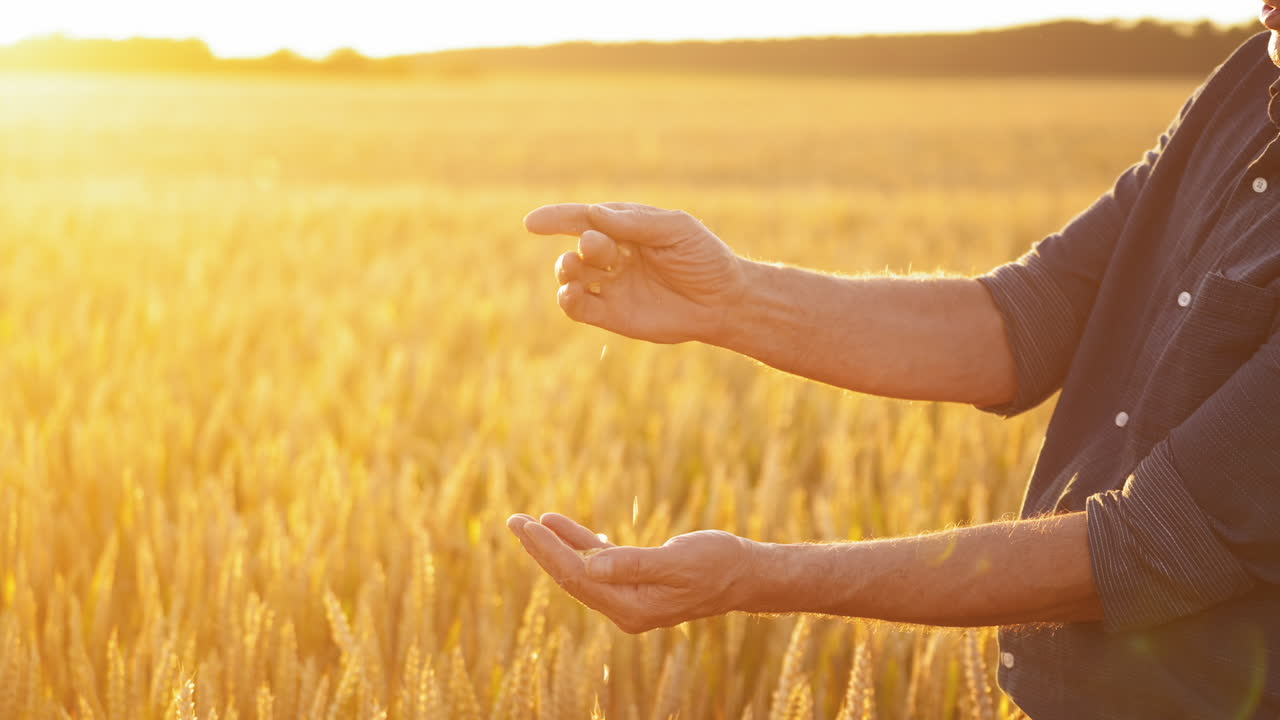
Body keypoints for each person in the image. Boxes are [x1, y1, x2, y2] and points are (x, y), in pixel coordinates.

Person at [506, 14, 1280, 718]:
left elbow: (1145, 545)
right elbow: (1023, 321)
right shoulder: (1249, 79)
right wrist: (732, 299)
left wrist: (752, 576)